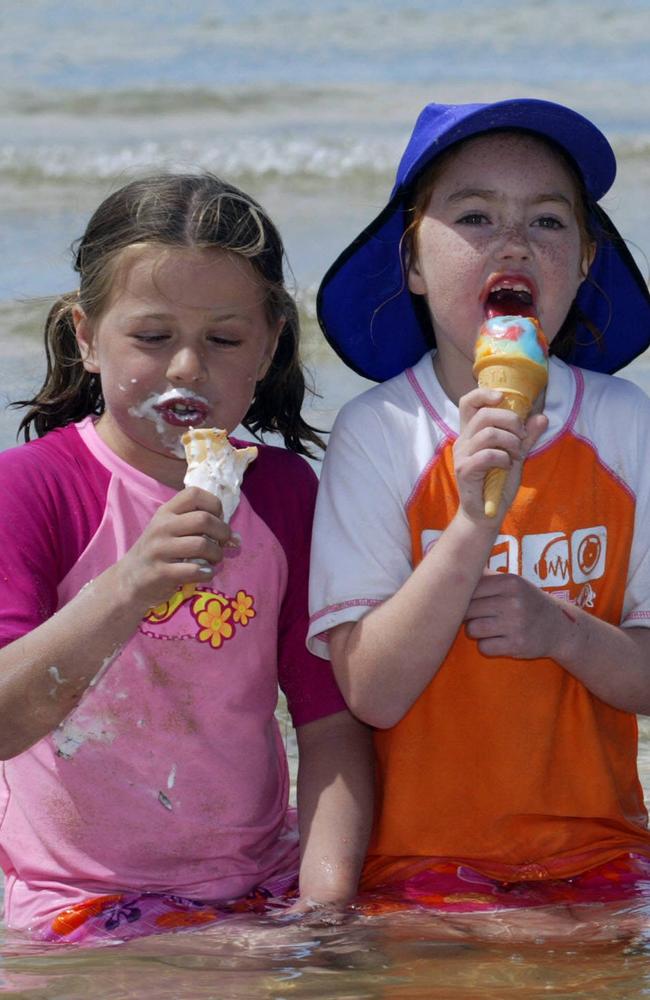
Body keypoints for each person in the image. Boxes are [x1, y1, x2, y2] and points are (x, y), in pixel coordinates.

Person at [0, 173, 373, 943]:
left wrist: (324, 906)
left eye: (223, 340)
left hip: (256, 883)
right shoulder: (32, 488)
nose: (185, 369)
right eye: (152, 336)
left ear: (268, 345)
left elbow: (330, 723)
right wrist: (130, 584)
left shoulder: (280, 492)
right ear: (85, 337)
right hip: (75, 895)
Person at [308, 98, 650, 926]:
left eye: (546, 219)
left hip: (602, 856)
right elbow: (372, 694)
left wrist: (565, 634)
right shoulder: (378, 433)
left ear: (584, 261)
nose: (514, 242)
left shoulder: (624, 422)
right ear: (413, 263)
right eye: (473, 215)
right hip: (424, 872)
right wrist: (470, 524)